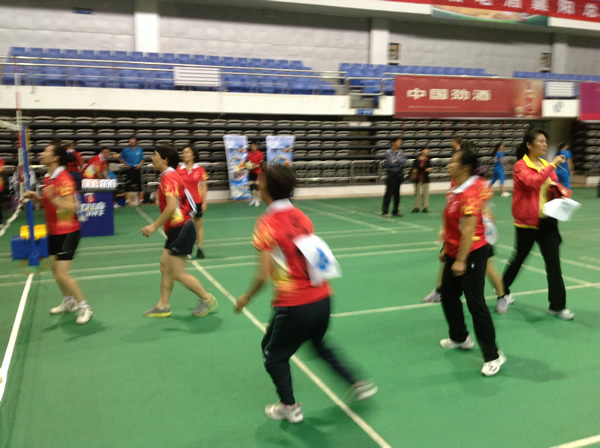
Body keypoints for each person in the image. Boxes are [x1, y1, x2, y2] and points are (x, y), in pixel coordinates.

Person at [234, 165, 377, 423]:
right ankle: (357, 382)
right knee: (317, 344)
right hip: (322, 298)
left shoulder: (266, 223)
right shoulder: (301, 217)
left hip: (295, 304)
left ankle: (289, 407)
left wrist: (246, 297)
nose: (258, 182)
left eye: (261, 179)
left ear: (266, 187)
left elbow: (262, 276)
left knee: (273, 357)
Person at [439, 147, 505, 376]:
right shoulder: (455, 190)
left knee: (475, 302)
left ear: (465, 167)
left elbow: (468, 230)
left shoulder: (469, 193)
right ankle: (460, 337)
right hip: (454, 251)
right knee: (448, 295)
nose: (449, 164)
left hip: (472, 253)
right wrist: (446, 248)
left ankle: (493, 355)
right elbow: (453, 226)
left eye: (453, 161)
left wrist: (461, 260)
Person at [502, 129, 574, 320]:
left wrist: (562, 194)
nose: (544, 144)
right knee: (519, 259)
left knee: (553, 263)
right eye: (541, 141)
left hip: (548, 222)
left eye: (545, 141)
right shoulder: (520, 166)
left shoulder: (544, 164)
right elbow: (533, 182)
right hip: (527, 224)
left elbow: (553, 185)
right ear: (529, 145)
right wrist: (552, 165)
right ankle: (502, 290)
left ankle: (557, 306)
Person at [140, 143, 218, 318]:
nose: (152, 158)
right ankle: (162, 306)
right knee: (165, 266)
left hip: (181, 229)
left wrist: (154, 226)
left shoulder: (169, 178)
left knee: (176, 272)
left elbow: (171, 207)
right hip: (176, 228)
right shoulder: (170, 175)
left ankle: (207, 299)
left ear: (165, 159)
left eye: (155, 154)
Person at [23, 144, 93, 325]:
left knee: (62, 274)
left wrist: (53, 198)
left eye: (46, 151)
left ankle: (84, 307)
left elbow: (72, 207)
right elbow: (52, 202)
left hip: (67, 231)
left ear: (55, 158)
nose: (42, 153)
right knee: (55, 270)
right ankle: (69, 302)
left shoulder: (64, 179)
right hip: (54, 230)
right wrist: (38, 199)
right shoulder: (49, 177)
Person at [177, 146, 208, 259]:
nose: (184, 154)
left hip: (197, 202)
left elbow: (204, 186)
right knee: (185, 226)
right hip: (183, 203)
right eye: (183, 152)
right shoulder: (179, 169)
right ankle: (187, 249)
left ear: (193, 155)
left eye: (187, 152)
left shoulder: (200, 169)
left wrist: (204, 202)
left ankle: (199, 248)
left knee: (198, 225)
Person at [382, 138, 407, 217]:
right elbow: (390, 163)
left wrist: (396, 161)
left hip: (399, 174)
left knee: (397, 194)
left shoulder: (401, 152)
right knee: (389, 193)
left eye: (401, 142)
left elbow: (404, 161)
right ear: (393, 142)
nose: (400, 143)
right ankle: (385, 211)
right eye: (399, 142)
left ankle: (395, 211)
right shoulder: (388, 152)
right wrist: (398, 161)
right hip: (391, 174)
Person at [119, 137, 145, 206]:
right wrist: (125, 164)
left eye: (134, 141)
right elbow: (121, 158)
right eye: (131, 141)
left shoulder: (139, 149)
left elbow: (142, 159)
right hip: (129, 169)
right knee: (127, 185)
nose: (132, 142)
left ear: (136, 142)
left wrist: (139, 165)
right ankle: (127, 201)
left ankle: (141, 201)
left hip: (137, 168)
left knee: (140, 185)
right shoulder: (125, 150)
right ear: (129, 142)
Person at [411, 147, 432, 213]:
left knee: (425, 193)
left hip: (425, 178)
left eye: (428, 151)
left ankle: (425, 207)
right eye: (426, 150)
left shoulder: (428, 160)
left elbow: (429, 168)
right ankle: (416, 207)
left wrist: (428, 169)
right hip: (417, 178)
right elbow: (414, 169)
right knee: (417, 193)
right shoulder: (416, 160)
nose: (427, 152)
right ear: (422, 151)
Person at [246, 141, 264, 207]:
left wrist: (256, 166)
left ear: (256, 146)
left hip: (257, 172)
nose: (252, 147)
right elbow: (248, 163)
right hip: (251, 172)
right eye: (251, 146)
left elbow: (261, 164)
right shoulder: (248, 153)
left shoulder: (260, 153)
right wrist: (248, 166)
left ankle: (257, 200)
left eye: (254, 146)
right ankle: (253, 199)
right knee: (251, 186)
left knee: (257, 186)